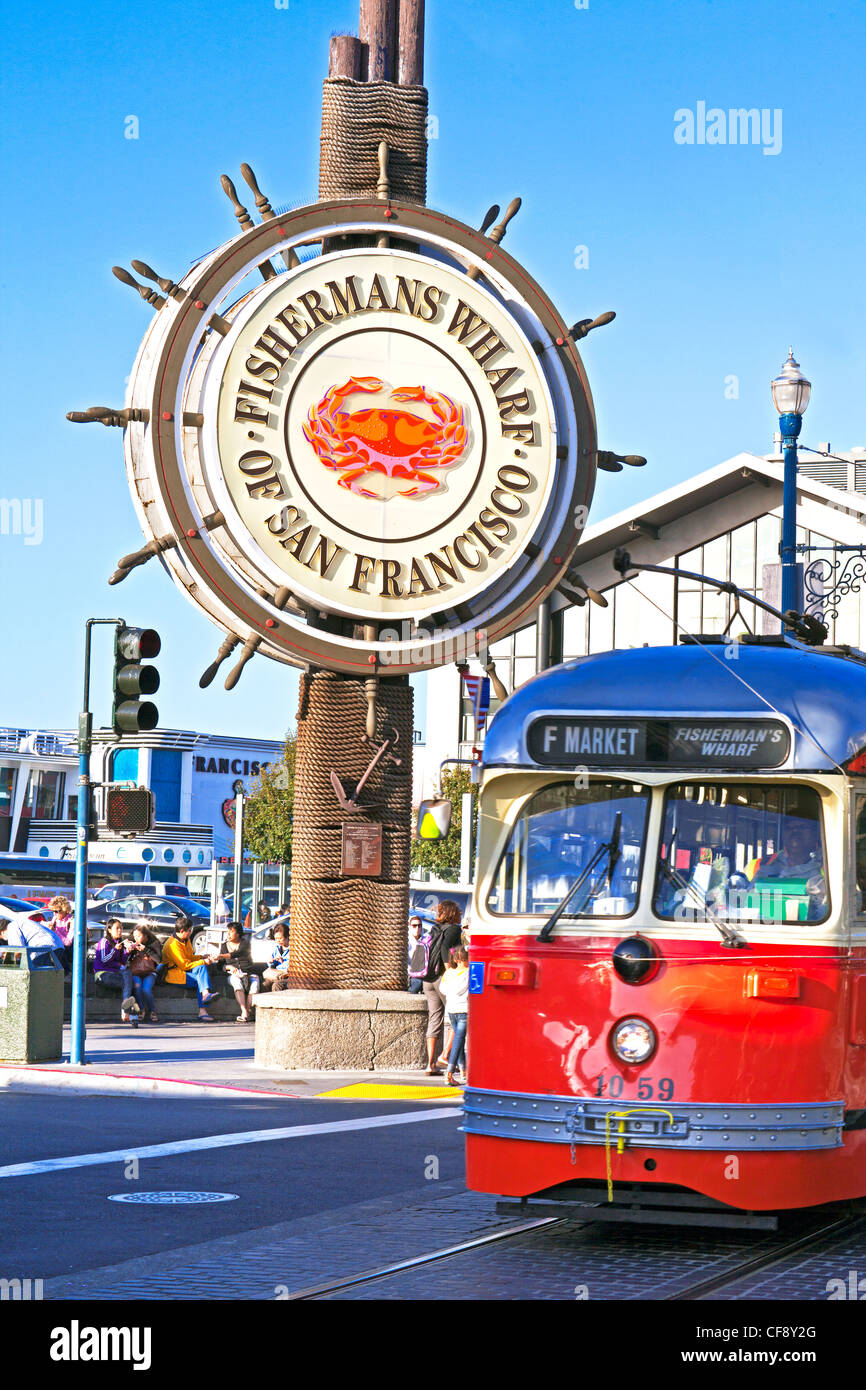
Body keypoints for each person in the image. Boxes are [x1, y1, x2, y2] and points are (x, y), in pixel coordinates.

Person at [420, 899, 464, 1075]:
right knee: (458, 1017)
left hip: (427, 978)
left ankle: (430, 1064)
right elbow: (446, 948)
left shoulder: (435, 928)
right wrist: (449, 971)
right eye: (459, 911)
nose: (461, 913)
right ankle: (445, 1055)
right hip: (441, 978)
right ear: (453, 912)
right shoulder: (454, 929)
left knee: (434, 1018)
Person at [161, 917, 220, 1021]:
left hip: (185, 969)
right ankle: (203, 1010)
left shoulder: (185, 939)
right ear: (182, 931)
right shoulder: (172, 945)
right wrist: (204, 961)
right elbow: (184, 965)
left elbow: (190, 956)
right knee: (200, 980)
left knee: (201, 968)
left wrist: (202, 957)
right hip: (174, 974)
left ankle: (205, 995)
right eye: (189, 930)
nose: (191, 932)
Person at [93, 919, 138, 1024]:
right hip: (102, 973)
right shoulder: (105, 941)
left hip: (116, 972)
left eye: (121, 928)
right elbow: (104, 960)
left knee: (128, 976)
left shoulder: (120, 942)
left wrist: (128, 951)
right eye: (117, 928)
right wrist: (115, 950)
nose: (120, 931)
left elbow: (122, 961)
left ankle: (128, 1011)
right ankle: (130, 1012)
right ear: (109, 930)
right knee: (128, 983)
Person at [215, 921, 260, 1022]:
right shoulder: (224, 946)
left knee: (255, 985)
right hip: (234, 975)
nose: (228, 934)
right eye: (228, 932)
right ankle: (244, 1011)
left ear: (238, 933)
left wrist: (221, 955)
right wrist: (229, 967)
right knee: (237, 983)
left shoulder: (245, 944)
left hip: (247, 973)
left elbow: (237, 953)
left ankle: (247, 1012)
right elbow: (220, 966)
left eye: (231, 932)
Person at [440, 946, 469, 1086]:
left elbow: (442, 989)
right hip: (464, 1009)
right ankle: (449, 1073)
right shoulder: (469, 972)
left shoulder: (448, 973)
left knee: (459, 1038)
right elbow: (467, 989)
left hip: (451, 1009)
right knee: (458, 1040)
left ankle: (463, 1070)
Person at [0, 913, 65, 970]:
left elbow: (18, 949)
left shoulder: (11, 927)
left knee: (35, 977)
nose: (6, 940)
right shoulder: (19, 923)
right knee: (47, 977)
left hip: (44, 948)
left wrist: (6, 959)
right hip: (57, 946)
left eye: (2, 938)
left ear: (2, 932)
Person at [125, 925, 162, 1023]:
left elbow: (159, 960)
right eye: (134, 936)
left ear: (146, 936)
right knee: (137, 987)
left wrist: (146, 950)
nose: (136, 938)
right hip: (136, 971)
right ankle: (141, 1009)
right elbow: (126, 959)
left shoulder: (155, 943)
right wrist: (128, 949)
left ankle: (152, 1011)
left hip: (150, 971)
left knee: (146, 989)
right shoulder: (133, 942)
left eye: (139, 936)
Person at [46, 896, 75, 973]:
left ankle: (66, 973)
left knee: (59, 950)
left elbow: (68, 942)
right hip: (55, 945)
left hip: (68, 950)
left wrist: (55, 931)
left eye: (57, 911)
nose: (54, 914)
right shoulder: (55, 919)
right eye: (53, 911)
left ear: (65, 910)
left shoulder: (71, 921)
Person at [262, 923, 291, 990]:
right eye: (276, 938)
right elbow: (271, 965)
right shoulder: (277, 949)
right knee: (264, 984)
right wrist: (271, 961)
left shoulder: (293, 949)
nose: (278, 940)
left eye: (280, 938)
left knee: (277, 985)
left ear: (287, 937)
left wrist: (283, 962)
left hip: (287, 976)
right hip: (276, 974)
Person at [407, 916, 428, 995]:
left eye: (419, 925)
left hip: (424, 972)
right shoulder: (407, 941)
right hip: (411, 973)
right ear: (410, 926)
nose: (417, 928)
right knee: (417, 983)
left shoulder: (425, 941)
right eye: (414, 925)